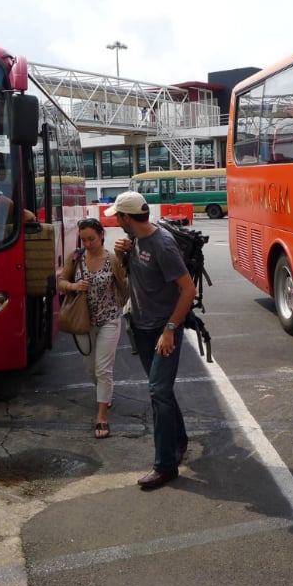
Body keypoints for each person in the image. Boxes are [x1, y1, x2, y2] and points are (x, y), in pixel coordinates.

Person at [107, 191, 196, 490]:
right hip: (142, 328)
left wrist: (170, 328)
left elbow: (188, 290)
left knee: (158, 391)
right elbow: (125, 279)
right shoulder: (135, 242)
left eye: (118, 217)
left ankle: (165, 466)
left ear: (128, 218)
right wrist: (121, 255)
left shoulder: (162, 245)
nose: (116, 222)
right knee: (162, 392)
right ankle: (179, 441)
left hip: (162, 330)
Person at [58, 218, 127, 439]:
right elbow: (60, 282)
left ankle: (101, 416)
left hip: (109, 319)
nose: (87, 243)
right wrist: (74, 286)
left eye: (92, 239)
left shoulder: (112, 259)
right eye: (84, 239)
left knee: (103, 369)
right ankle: (104, 394)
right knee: (90, 369)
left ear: (102, 235)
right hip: (83, 322)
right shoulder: (76, 258)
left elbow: (124, 283)